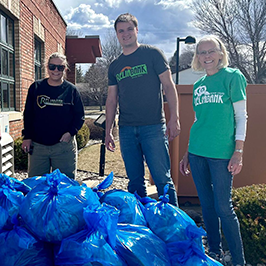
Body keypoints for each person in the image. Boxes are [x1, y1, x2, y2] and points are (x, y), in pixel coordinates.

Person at [179, 36, 247, 266]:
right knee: (206, 204)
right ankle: (215, 252)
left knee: (223, 207)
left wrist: (238, 150)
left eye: (211, 51)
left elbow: (241, 117)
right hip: (198, 152)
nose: (206, 56)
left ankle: (238, 259)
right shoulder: (198, 86)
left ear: (220, 53)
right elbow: (199, 121)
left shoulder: (233, 77)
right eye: (202, 52)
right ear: (197, 56)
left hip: (222, 154)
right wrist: (188, 152)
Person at [105, 13, 180, 206]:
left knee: (163, 180)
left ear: (137, 30)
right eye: (121, 30)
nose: (126, 34)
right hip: (127, 129)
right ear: (116, 34)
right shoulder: (114, 66)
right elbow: (112, 100)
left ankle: (173, 227)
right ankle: (143, 225)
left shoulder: (152, 54)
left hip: (153, 127)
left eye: (130, 29)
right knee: (135, 182)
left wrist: (174, 118)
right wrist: (108, 131)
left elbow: (169, 86)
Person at [22, 52, 85, 179]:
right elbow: (28, 114)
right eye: (52, 67)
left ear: (65, 69)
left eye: (60, 67)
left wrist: (70, 133)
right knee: (36, 186)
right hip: (38, 146)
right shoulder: (36, 87)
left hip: (63, 147)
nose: (56, 70)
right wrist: (27, 137)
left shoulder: (71, 90)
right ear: (47, 67)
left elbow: (79, 116)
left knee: (64, 186)